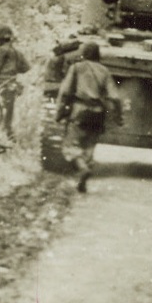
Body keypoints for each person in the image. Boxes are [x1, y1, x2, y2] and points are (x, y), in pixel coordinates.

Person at [56, 41, 122, 193]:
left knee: (70, 146)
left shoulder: (77, 67)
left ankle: (82, 168)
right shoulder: (104, 71)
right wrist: (118, 116)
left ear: (84, 53)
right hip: (98, 113)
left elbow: (65, 92)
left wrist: (59, 112)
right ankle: (84, 176)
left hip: (80, 111)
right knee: (90, 146)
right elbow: (115, 97)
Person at [0, 26, 30, 140]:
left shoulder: (2, 50)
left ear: (1, 39)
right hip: (12, 83)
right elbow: (26, 68)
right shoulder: (16, 52)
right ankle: (9, 136)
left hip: (1, 83)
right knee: (8, 113)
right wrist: (13, 69)